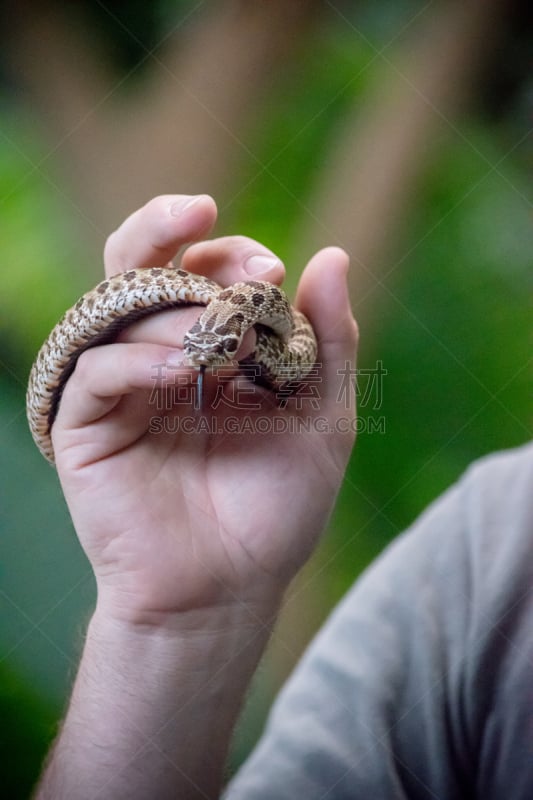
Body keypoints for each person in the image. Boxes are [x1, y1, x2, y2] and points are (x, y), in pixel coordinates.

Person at [33, 195, 533, 800]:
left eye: (210, 352)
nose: (199, 371)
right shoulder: (485, 556)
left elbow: (284, 354)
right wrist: (173, 628)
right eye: (200, 353)